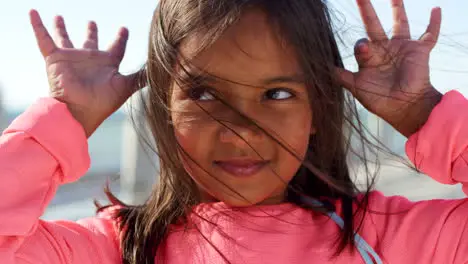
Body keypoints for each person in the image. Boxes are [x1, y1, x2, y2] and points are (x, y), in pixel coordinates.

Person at [1, 0, 466, 263]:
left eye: (277, 94)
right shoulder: (118, 250)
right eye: (205, 95)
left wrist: (422, 112)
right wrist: (68, 116)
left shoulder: (391, 240)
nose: (240, 133)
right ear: (165, 106)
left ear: (317, 110)